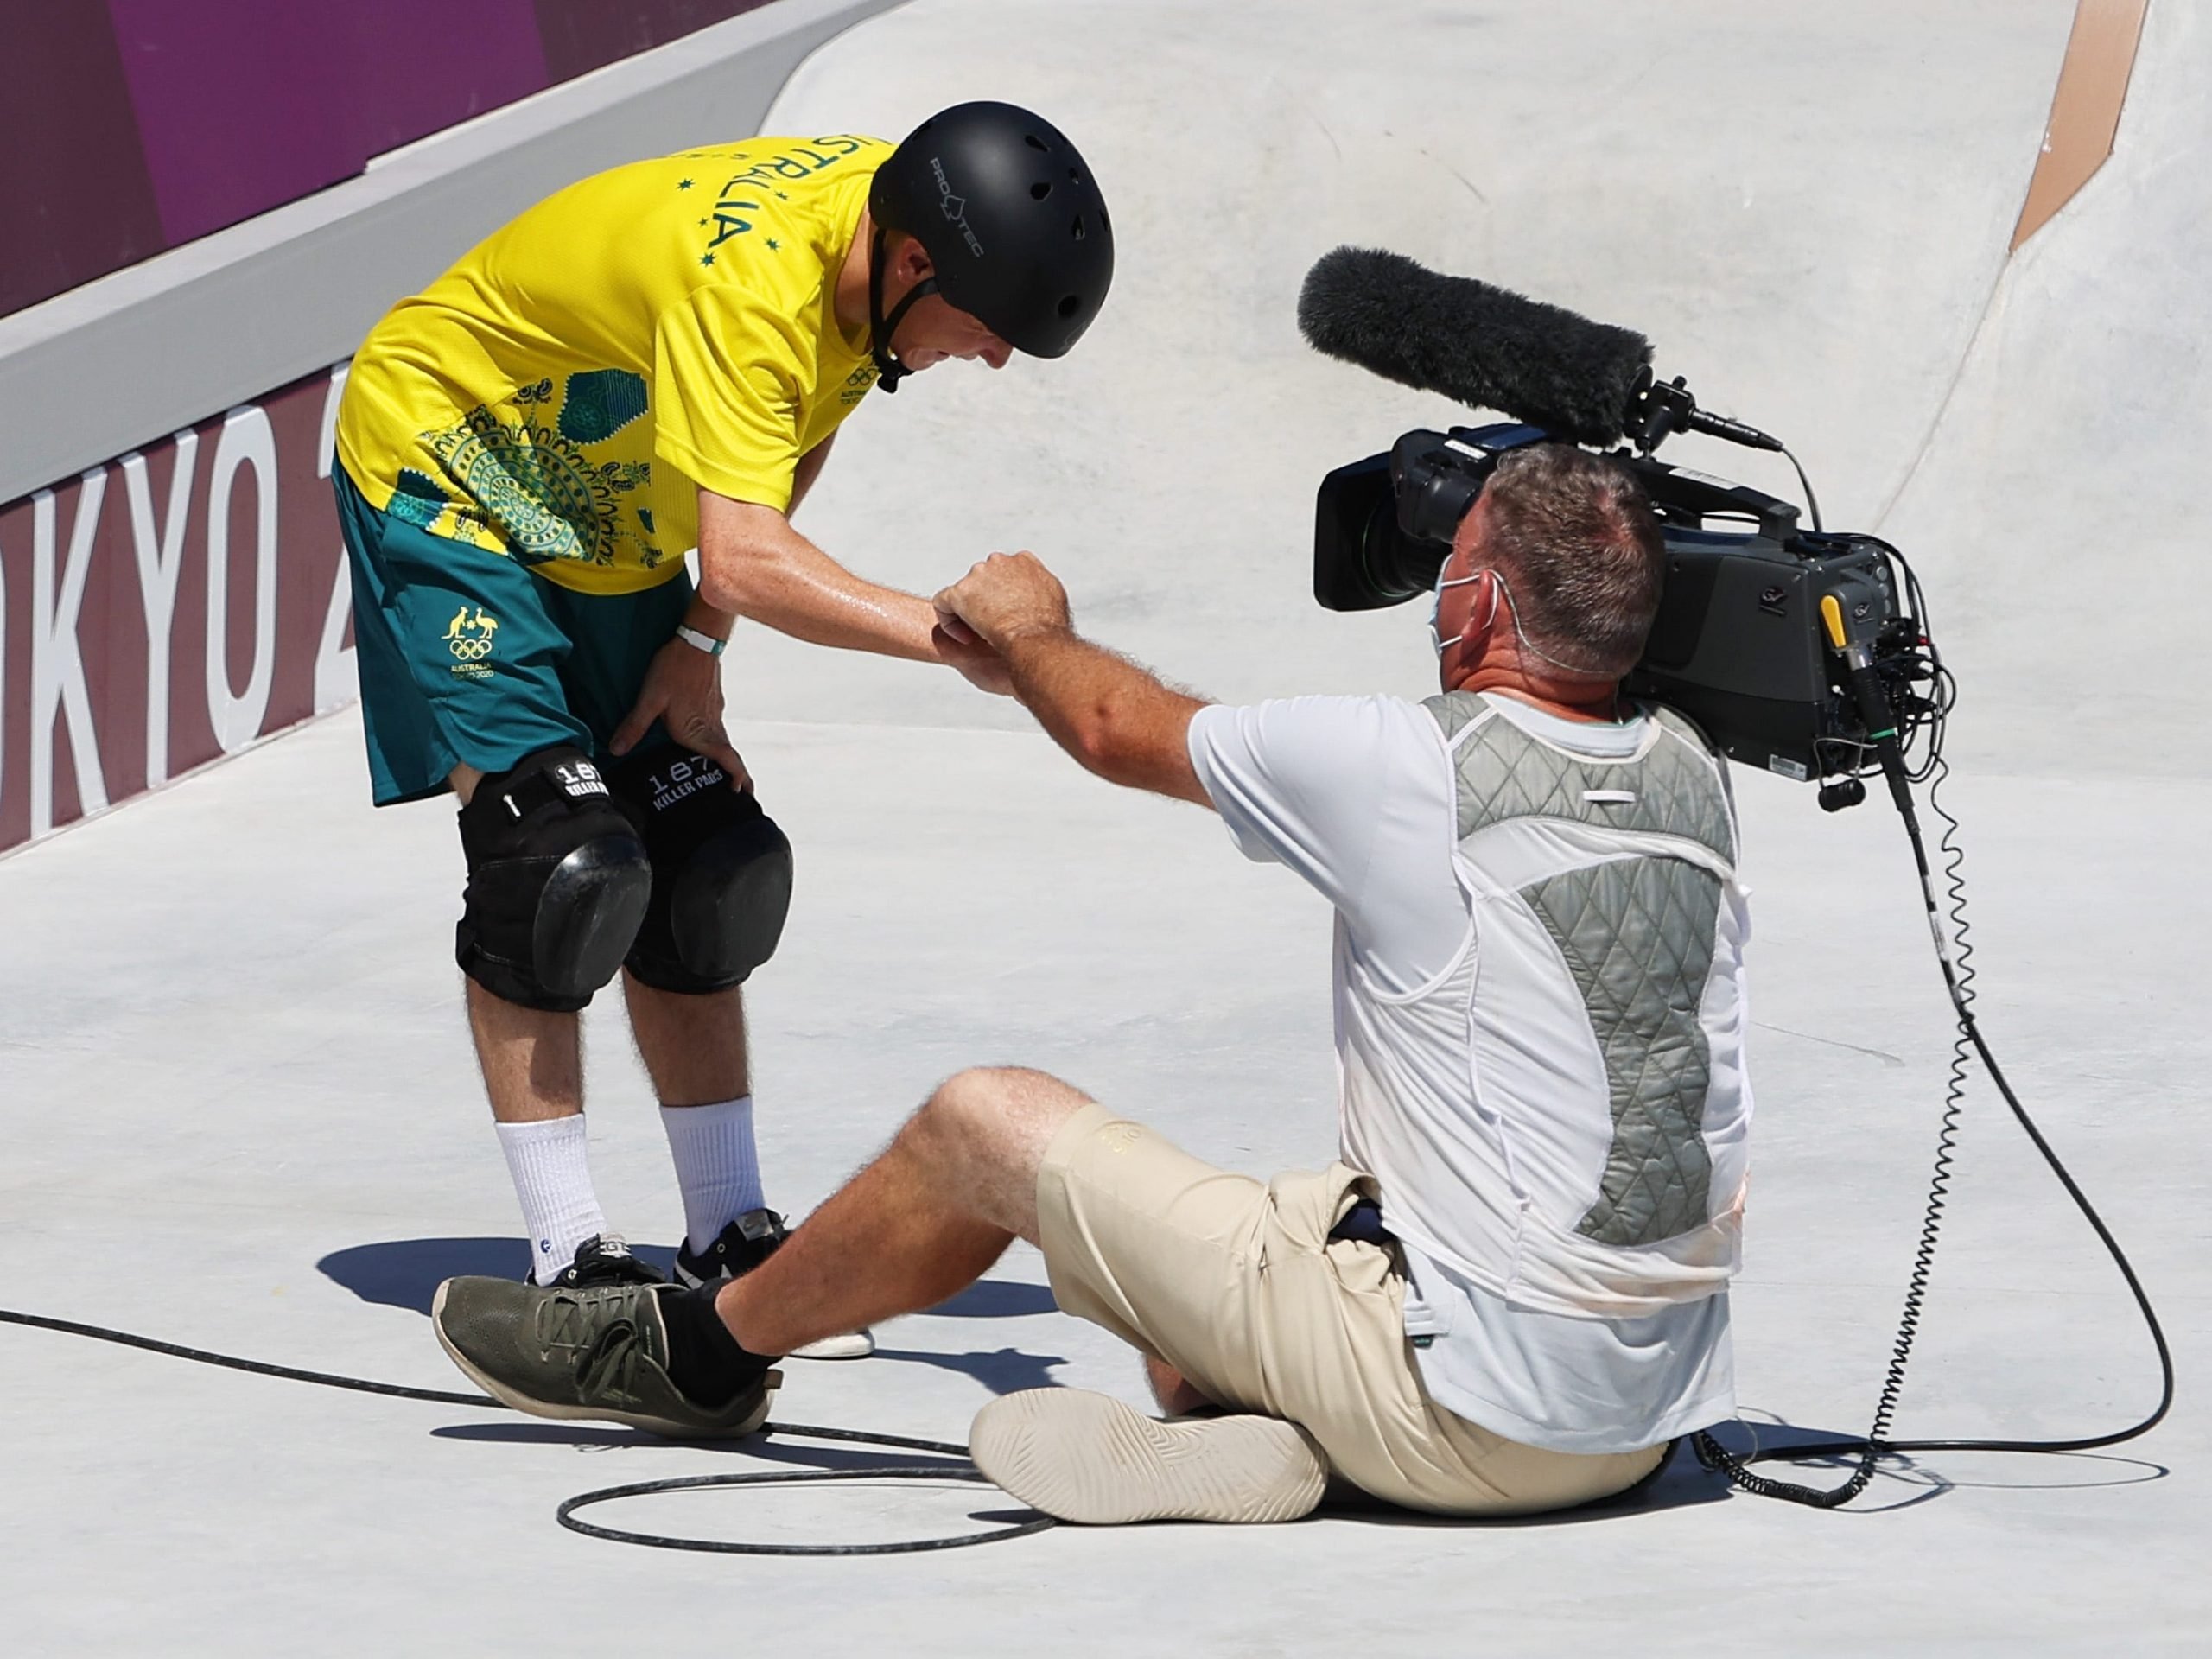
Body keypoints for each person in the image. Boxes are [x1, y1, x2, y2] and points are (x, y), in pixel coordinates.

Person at [429, 444, 1754, 1524]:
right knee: (1280, 1216)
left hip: (1471, 1418)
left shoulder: (1398, 761)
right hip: (1637, 1430)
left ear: (1482, 607)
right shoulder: (1698, 775)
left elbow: (1113, 726)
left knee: (984, 1127)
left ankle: (693, 1359)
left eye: (1455, 569)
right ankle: (1262, 1420)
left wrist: (1027, 628)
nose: (1437, 593)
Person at [329, 102, 1115, 1357]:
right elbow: (751, 553)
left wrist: (695, 646)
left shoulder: (881, 221)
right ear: (916, 265)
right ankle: (570, 1252)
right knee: (559, 860)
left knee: (708, 865)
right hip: (456, 473)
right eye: (991, 329)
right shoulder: (753, 280)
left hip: (602, 498)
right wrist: (983, 648)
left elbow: (795, 429)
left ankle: (728, 1226)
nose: (997, 358)